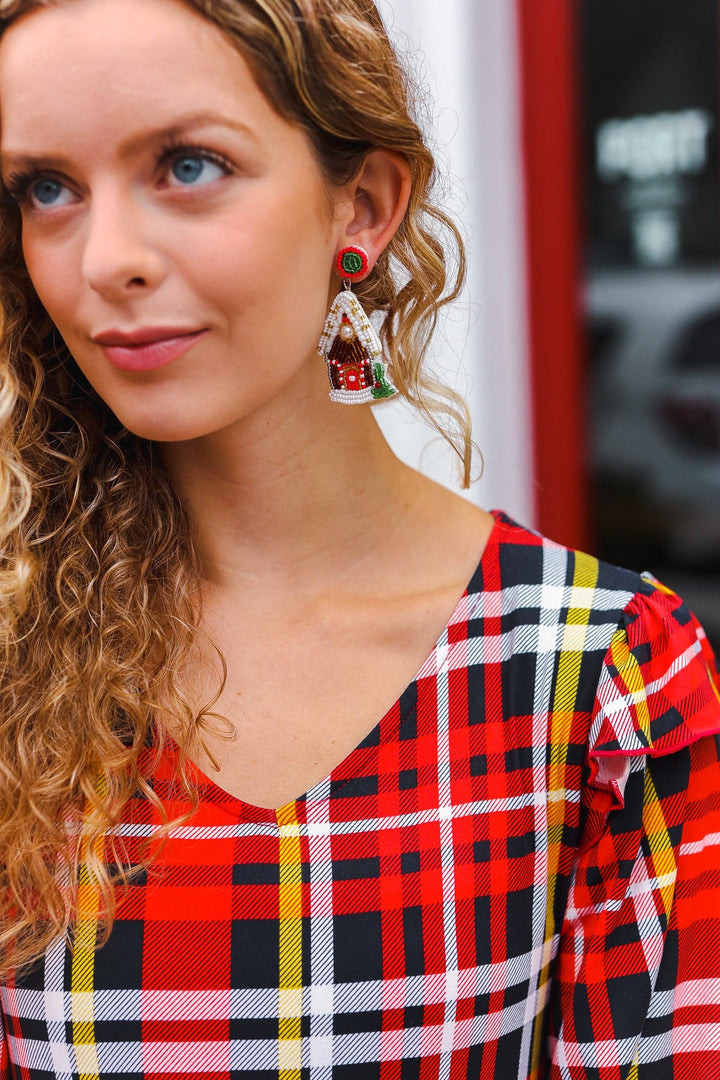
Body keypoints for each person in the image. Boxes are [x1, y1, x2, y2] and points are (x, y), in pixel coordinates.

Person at [0, 0, 717, 1076]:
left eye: (188, 165)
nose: (106, 259)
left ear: (365, 206)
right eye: (45, 189)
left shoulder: (610, 677)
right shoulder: (17, 655)